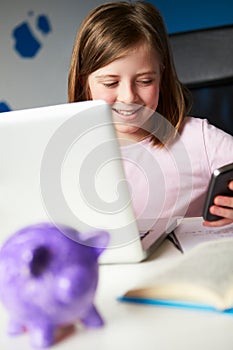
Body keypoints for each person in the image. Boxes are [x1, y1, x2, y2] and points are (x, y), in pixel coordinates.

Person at [68, 1, 233, 227]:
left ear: (161, 77)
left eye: (145, 81)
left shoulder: (199, 139)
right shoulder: (69, 152)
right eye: (111, 82)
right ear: (83, 82)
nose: (128, 97)